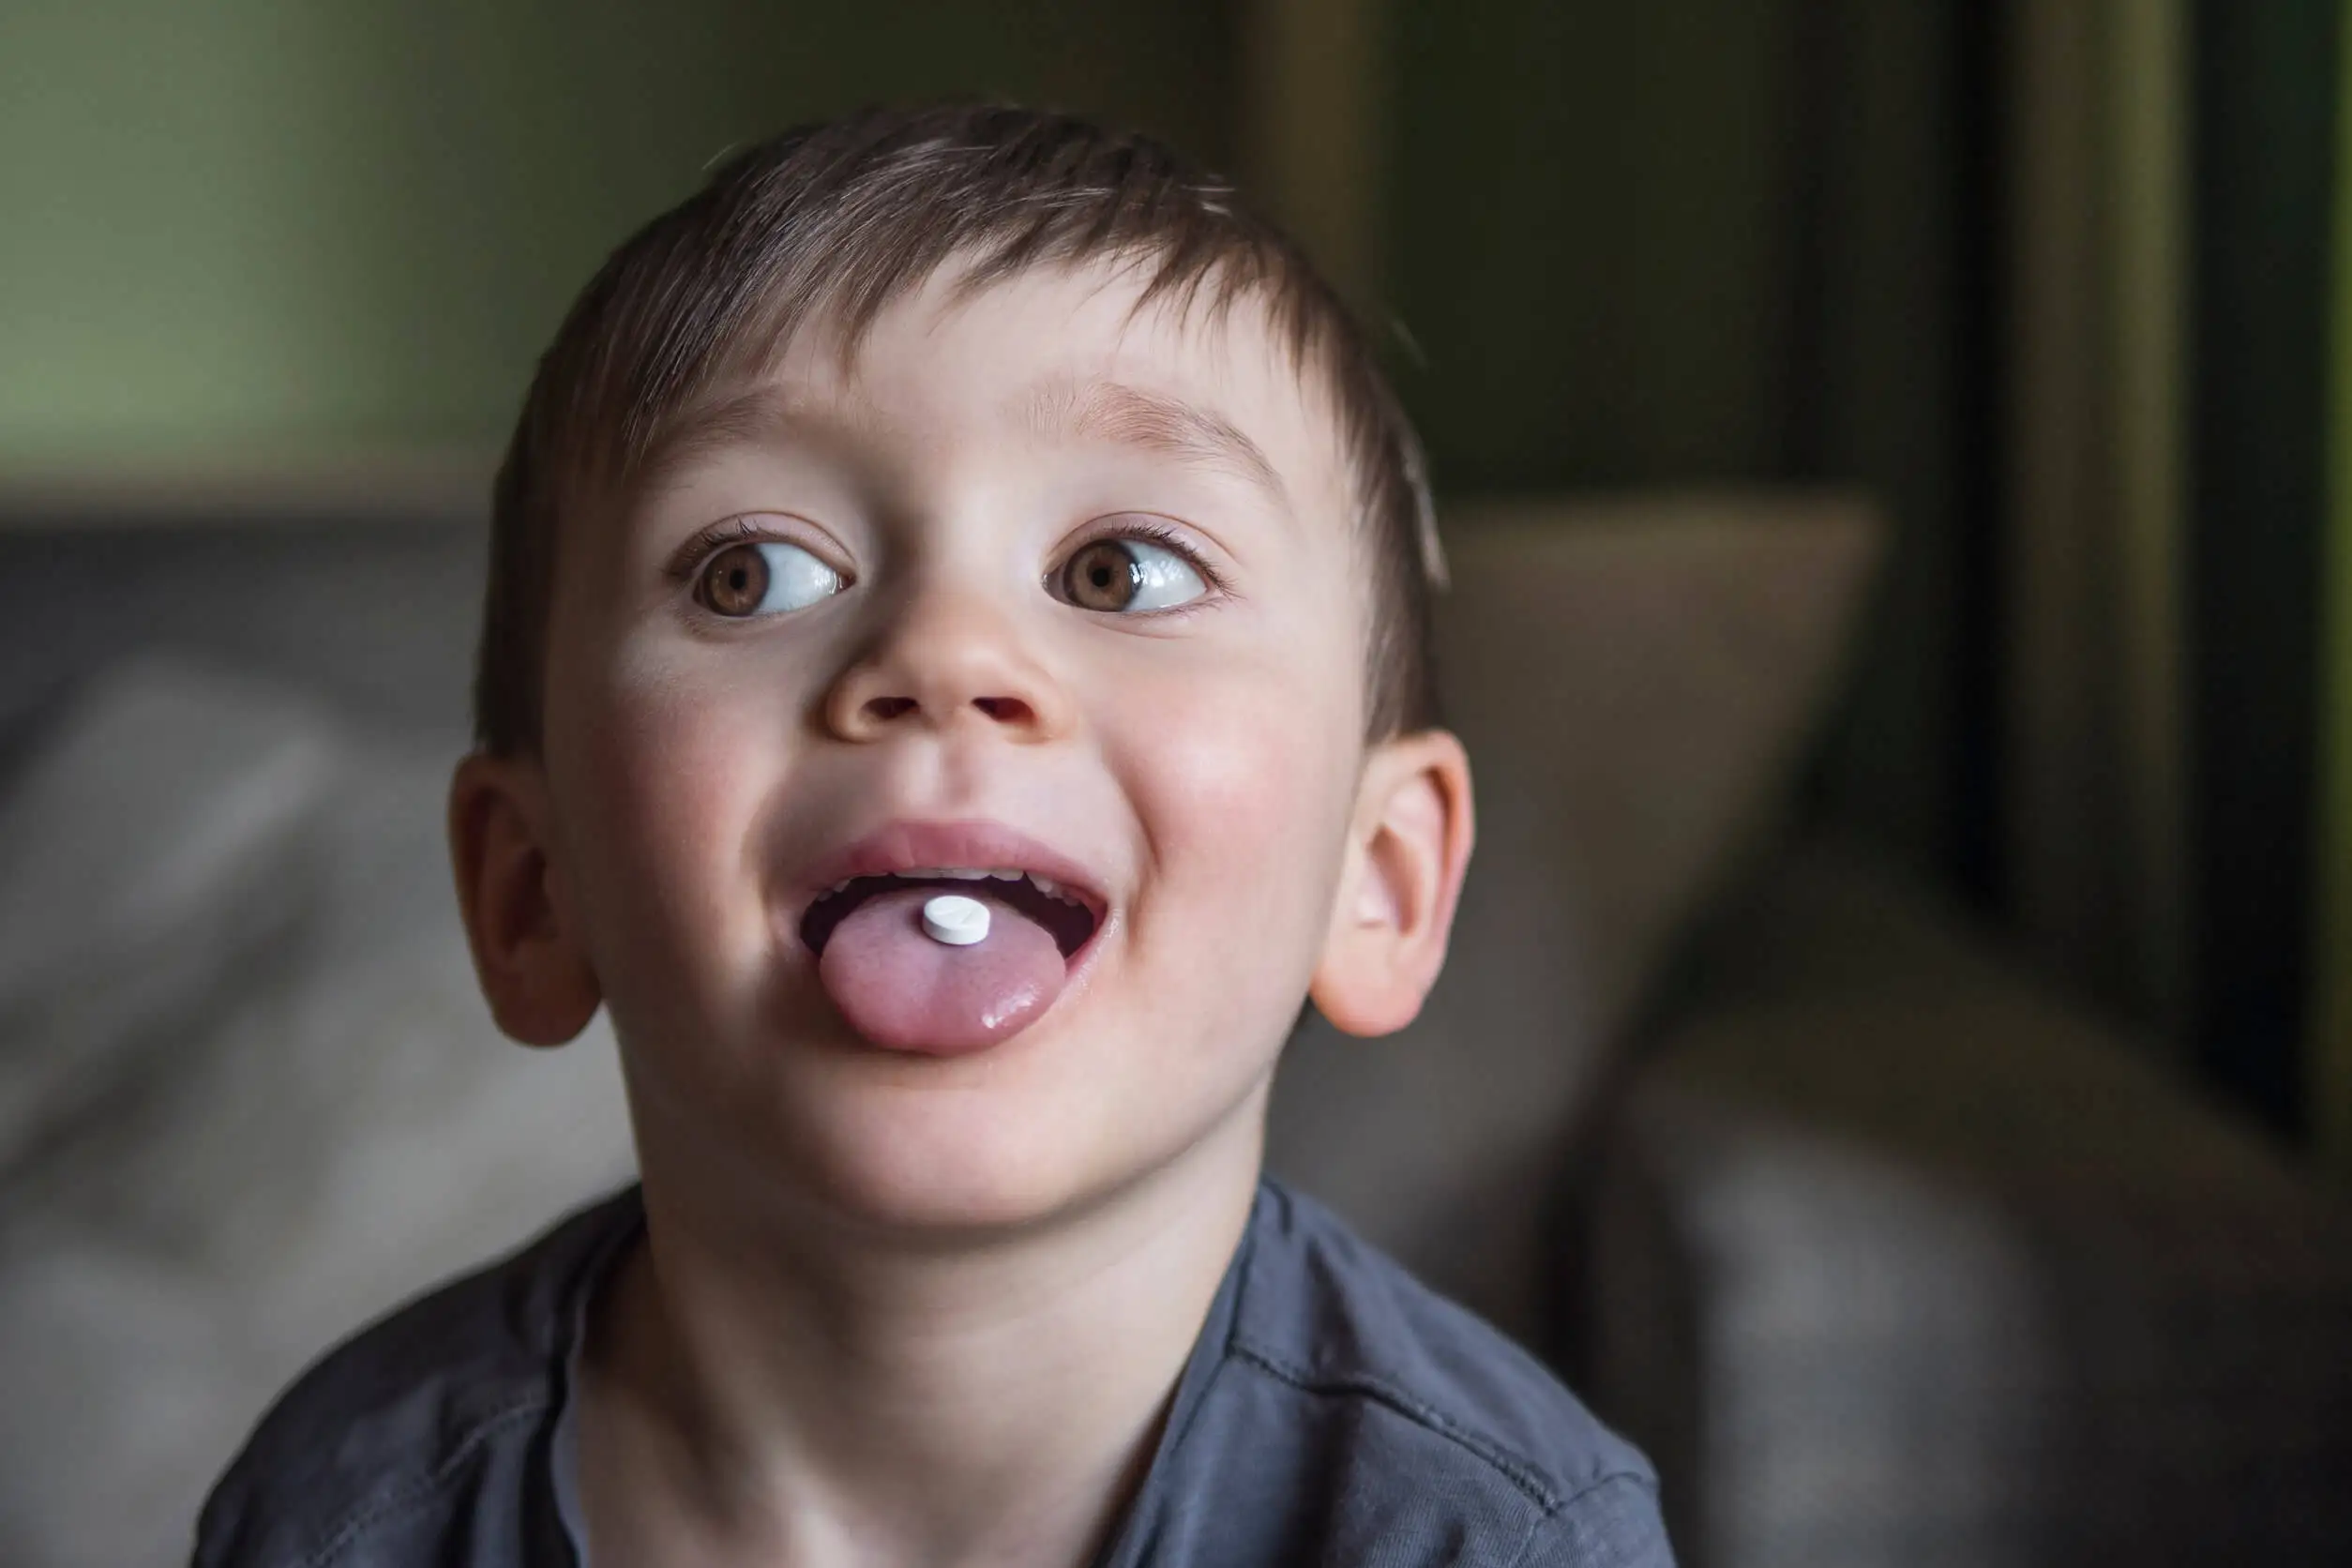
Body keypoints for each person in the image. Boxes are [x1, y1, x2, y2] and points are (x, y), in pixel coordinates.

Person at [192, 104, 1673, 1568]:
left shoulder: (1494, 1537)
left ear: (1382, 878)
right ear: (531, 891)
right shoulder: (349, 1515)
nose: (945, 652)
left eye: (1123, 567)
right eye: (751, 573)